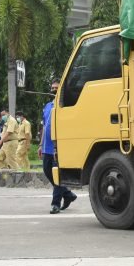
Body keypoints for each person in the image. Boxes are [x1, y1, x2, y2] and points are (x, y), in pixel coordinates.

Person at [39, 82, 76, 213]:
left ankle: (55, 204)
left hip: (59, 147)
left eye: (57, 88)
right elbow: (44, 127)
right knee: (47, 171)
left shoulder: (65, 105)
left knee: (57, 175)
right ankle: (67, 194)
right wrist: (40, 145)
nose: (54, 91)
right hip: (46, 147)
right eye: (53, 88)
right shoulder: (47, 106)